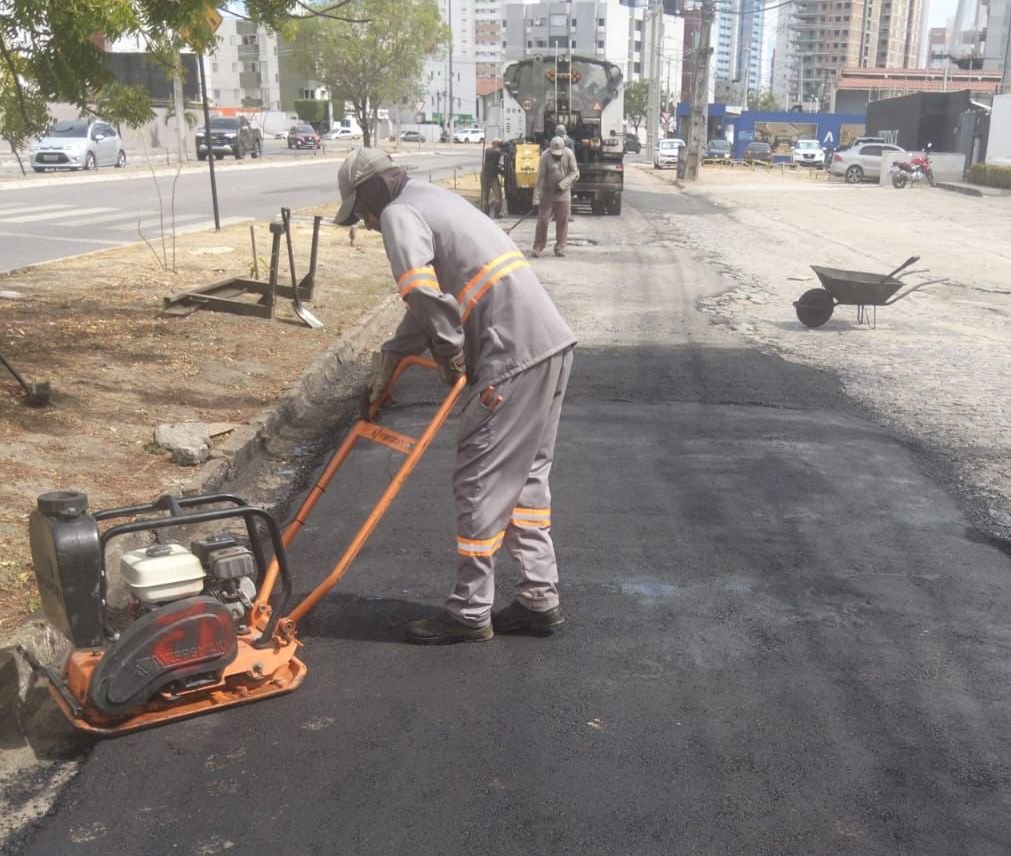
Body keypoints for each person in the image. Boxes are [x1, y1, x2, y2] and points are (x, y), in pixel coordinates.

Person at [335, 147, 577, 645]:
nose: (368, 224)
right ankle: (538, 598)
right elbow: (427, 305)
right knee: (526, 479)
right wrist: (392, 358)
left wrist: (450, 355)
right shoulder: (432, 199)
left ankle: (469, 611)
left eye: (361, 212)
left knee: (480, 477)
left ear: (373, 190)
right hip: (549, 344)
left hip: (511, 354)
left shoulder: (399, 213)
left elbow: (421, 293)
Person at [532, 136, 579, 258]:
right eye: (554, 154)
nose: (556, 156)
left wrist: (563, 184)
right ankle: (538, 247)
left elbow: (574, 172)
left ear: (563, 149)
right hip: (548, 194)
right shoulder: (544, 156)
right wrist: (536, 198)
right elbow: (540, 178)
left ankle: (560, 247)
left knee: (563, 221)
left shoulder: (569, 154)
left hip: (563, 194)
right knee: (543, 221)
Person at [480, 138, 504, 218]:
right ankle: (492, 213)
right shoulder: (491, 151)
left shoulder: (489, 151)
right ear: (495, 144)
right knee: (496, 196)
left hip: (486, 175)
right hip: (490, 177)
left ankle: (488, 212)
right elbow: (497, 153)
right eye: (499, 144)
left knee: (486, 196)